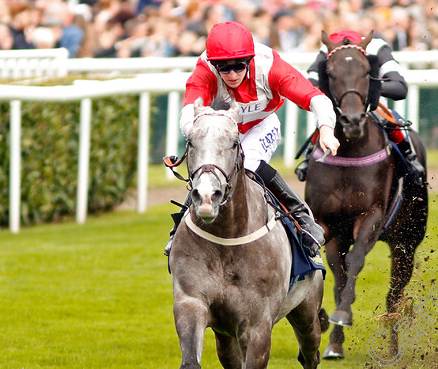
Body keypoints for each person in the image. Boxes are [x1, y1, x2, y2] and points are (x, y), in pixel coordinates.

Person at [164, 21, 340, 258]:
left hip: (261, 125)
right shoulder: (204, 67)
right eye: (224, 69)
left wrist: (327, 130)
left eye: (239, 66)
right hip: (221, 128)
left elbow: (316, 99)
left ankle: (303, 218)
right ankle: (179, 228)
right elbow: (187, 112)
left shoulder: (270, 66)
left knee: (248, 165)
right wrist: (199, 128)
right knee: (211, 169)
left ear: (250, 59)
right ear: (214, 65)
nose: (233, 74)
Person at [296, 29, 424, 186]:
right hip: (340, 107)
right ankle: (309, 158)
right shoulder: (327, 50)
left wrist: (368, 88)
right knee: (324, 124)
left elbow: (399, 87)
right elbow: (308, 87)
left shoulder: (377, 46)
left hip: (370, 105)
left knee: (394, 117)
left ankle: (410, 160)